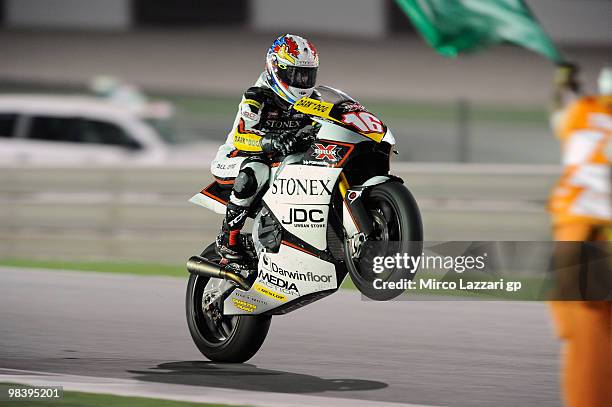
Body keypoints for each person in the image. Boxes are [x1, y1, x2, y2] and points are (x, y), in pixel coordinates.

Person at [210, 34, 320, 261]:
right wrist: (270, 141)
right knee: (256, 169)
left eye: (307, 75)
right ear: (277, 69)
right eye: (296, 74)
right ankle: (227, 239)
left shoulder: (314, 99)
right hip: (235, 158)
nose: (302, 81)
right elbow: (241, 136)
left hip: (279, 161)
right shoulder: (256, 96)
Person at [548, 64, 612, 407]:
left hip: (571, 237)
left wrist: (566, 86)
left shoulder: (583, 112)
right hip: (601, 234)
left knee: (584, 345)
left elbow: (560, 111)